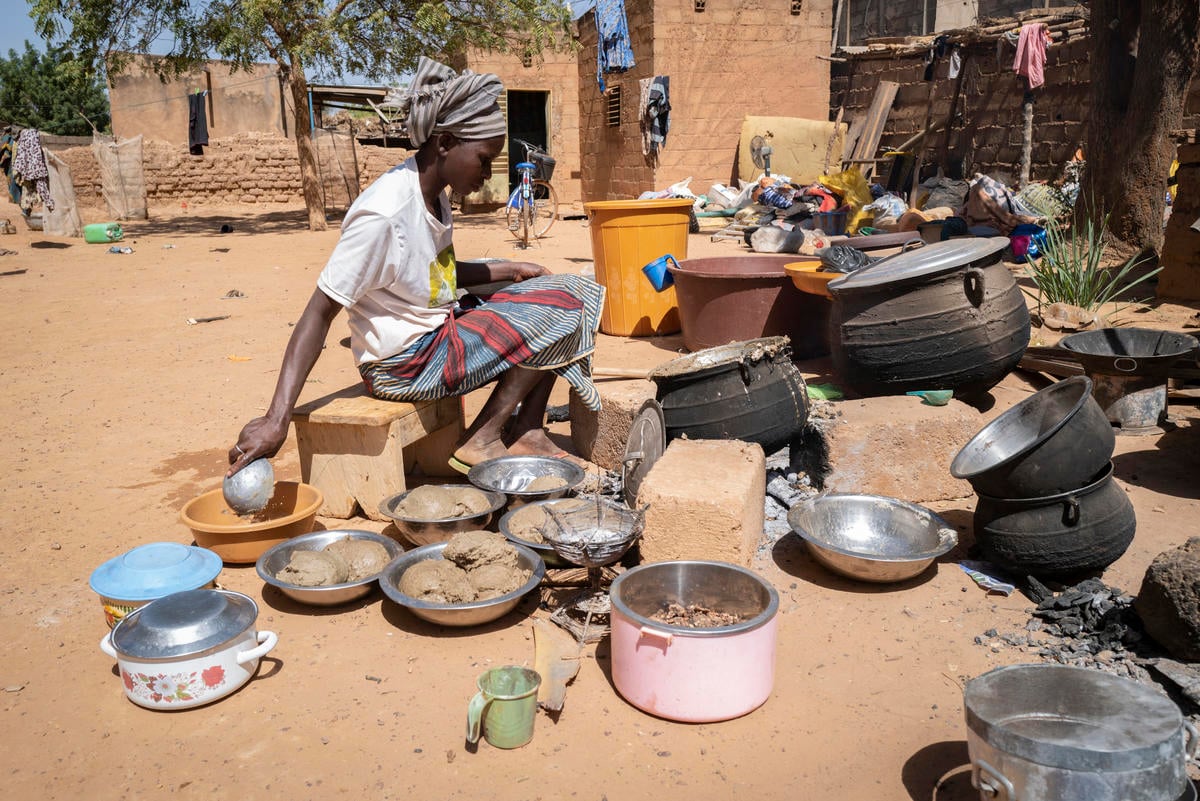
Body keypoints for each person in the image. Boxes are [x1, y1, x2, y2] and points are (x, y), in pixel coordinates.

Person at [227, 57, 605, 478]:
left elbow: (435, 274)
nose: (487, 174)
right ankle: (482, 439)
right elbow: (319, 313)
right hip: (402, 365)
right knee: (561, 307)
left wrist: (510, 269)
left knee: (565, 288)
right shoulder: (383, 214)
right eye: (483, 160)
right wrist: (276, 418)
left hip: (435, 333)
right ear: (445, 143)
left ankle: (527, 429)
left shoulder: (434, 193)